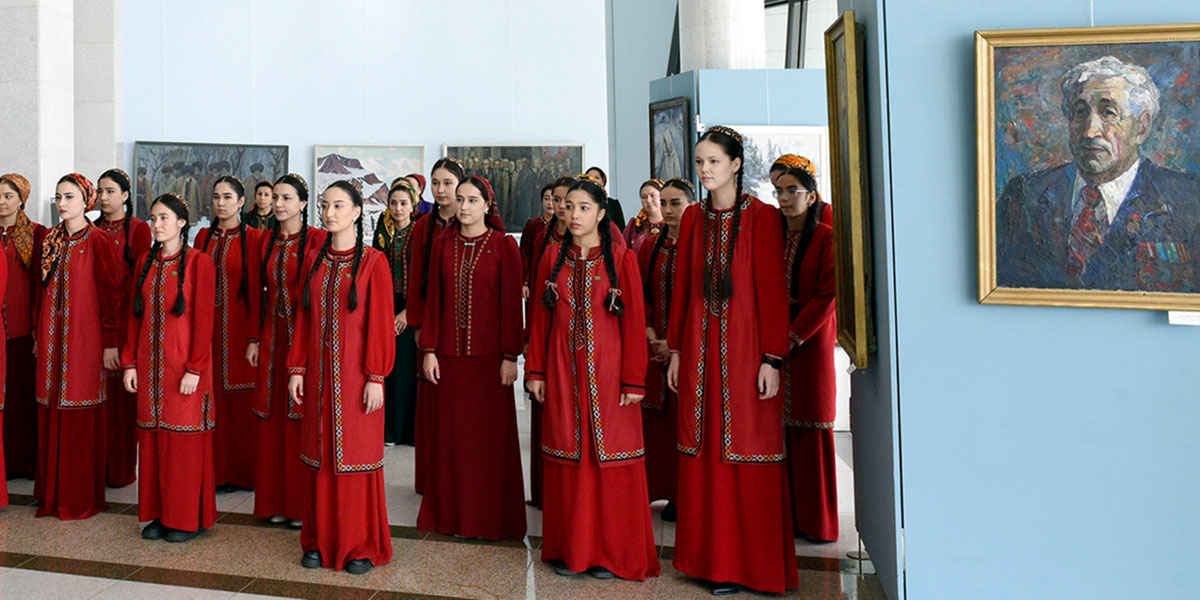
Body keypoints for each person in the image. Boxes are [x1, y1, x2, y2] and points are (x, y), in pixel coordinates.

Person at [666, 126, 798, 595]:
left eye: (714, 162)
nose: (705, 170)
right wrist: (676, 351)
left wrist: (772, 358)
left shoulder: (762, 217)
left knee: (748, 450)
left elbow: (773, 293)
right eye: (700, 161)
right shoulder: (694, 218)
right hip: (699, 356)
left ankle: (750, 567)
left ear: (736, 164)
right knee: (702, 451)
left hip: (747, 357)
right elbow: (683, 289)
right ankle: (708, 563)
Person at [526, 176, 658, 581]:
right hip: (563, 373)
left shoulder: (622, 260)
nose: (574, 214)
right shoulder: (552, 257)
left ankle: (611, 554)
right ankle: (572, 551)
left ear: (601, 213)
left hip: (609, 378)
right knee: (569, 458)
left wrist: (634, 380)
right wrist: (536, 371)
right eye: (569, 206)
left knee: (611, 462)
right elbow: (540, 321)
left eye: (584, 207)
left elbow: (633, 324)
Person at [997, 55, 1200, 292]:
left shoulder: (1188, 198)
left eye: (1108, 113)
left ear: (1141, 127)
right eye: (1080, 113)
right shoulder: (1024, 195)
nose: (1089, 131)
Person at [287, 180, 394, 574]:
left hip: (356, 379)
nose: (329, 213)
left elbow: (380, 324)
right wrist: (296, 368)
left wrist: (376, 375)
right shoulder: (314, 259)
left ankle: (360, 544)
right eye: (324, 205)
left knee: (355, 457)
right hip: (318, 377)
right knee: (319, 455)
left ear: (356, 212)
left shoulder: (373, 263)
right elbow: (303, 318)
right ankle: (318, 540)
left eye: (338, 206)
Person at [417, 176, 525, 541]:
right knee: (452, 441)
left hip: (490, 362)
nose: (463, 206)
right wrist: (429, 350)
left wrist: (510, 356)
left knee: (488, 443)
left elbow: (511, 306)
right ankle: (451, 518)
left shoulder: (504, 245)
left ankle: (489, 521)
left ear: (487, 205)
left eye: (472, 200)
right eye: (460, 199)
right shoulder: (443, 245)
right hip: (449, 360)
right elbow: (434, 300)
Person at [122, 193, 217, 542]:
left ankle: (187, 518)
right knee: (152, 440)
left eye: (164, 218)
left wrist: (195, 368)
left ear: (181, 222)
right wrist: (129, 363)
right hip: (150, 369)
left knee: (183, 443)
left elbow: (204, 321)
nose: (157, 224)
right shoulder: (145, 262)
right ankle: (159, 514)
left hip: (184, 370)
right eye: (153, 218)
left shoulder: (199, 263)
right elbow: (135, 317)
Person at [35, 173, 120, 520]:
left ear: (86, 201)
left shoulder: (98, 240)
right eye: (58, 197)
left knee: (78, 409)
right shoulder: (50, 240)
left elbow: (111, 295)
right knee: (50, 406)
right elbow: (40, 292)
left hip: (84, 341)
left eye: (69, 197)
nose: (62, 203)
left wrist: (110, 343)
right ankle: (51, 494)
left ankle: (78, 497)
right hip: (50, 340)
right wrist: (38, 336)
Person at [248, 173, 326, 529]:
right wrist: (253, 338)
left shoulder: (318, 240)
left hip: (305, 338)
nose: (278, 204)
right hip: (273, 337)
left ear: (303, 203)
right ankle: (275, 501)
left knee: (300, 418)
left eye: (287, 198)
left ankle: (299, 506)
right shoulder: (265, 240)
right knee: (273, 417)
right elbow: (256, 291)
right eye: (275, 197)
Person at [774, 164, 839, 542]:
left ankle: (817, 524)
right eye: (779, 191)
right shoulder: (774, 236)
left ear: (811, 196)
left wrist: (794, 335)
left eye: (792, 191)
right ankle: (784, 519)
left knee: (810, 426)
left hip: (809, 346)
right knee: (777, 431)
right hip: (773, 346)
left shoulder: (826, 237)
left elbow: (828, 296)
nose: (784, 198)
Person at [195, 176, 262, 493]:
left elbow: (258, 293)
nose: (220, 203)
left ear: (241, 202)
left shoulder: (255, 239)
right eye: (216, 197)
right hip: (208, 332)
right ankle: (215, 474)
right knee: (211, 401)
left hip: (240, 331)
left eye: (227, 197)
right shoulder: (203, 238)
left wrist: (254, 337)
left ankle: (244, 474)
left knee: (242, 403)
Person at [636, 178, 695, 523]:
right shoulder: (650, 245)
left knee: (684, 423)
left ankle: (684, 495)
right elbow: (640, 295)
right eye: (665, 203)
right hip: (654, 346)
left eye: (676, 203)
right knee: (656, 423)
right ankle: (656, 489)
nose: (669, 210)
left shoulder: (700, 246)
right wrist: (652, 336)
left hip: (688, 350)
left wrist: (675, 345)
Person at [407, 157, 465, 495]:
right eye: (436, 183)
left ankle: (457, 476)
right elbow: (416, 278)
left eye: (447, 183)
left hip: (462, 323)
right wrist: (418, 324)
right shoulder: (422, 227)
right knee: (430, 400)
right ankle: (430, 478)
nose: (440, 190)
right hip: (430, 322)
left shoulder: (470, 221)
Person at [95, 168, 153, 489]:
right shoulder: (92, 229)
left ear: (126, 196)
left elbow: (140, 283)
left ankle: (120, 470)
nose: (103, 198)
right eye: (100, 192)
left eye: (110, 192)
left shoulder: (139, 229)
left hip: (126, 322)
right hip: (96, 323)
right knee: (99, 398)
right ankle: (97, 467)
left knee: (122, 400)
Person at [0, 173, 47, 480]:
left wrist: (36, 329)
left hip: (22, 331)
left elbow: (40, 285)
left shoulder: (37, 233)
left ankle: (24, 463)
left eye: (8, 196)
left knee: (22, 398)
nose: (2, 202)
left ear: (21, 199)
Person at [372, 179, 418, 446]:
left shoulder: (419, 234)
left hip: (412, 311)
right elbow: (375, 276)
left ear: (412, 205)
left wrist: (407, 313)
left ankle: (408, 432)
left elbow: (425, 278)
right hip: (386, 309)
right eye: (393, 203)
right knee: (389, 370)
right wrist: (386, 313)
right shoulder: (383, 234)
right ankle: (388, 430)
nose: (398, 208)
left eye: (403, 203)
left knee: (408, 371)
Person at [770, 155, 832, 226]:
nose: (783, 197)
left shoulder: (827, 213)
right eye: (778, 189)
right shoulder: (777, 216)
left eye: (792, 191)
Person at [519, 182, 556, 299]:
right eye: (546, 198)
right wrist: (525, 282)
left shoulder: (564, 227)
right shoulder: (532, 225)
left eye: (554, 199)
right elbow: (524, 255)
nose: (550, 203)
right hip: (535, 279)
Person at [624, 179, 665, 252]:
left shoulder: (673, 223)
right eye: (644, 197)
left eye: (652, 196)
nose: (648, 200)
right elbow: (623, 251)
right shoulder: (634, 225)